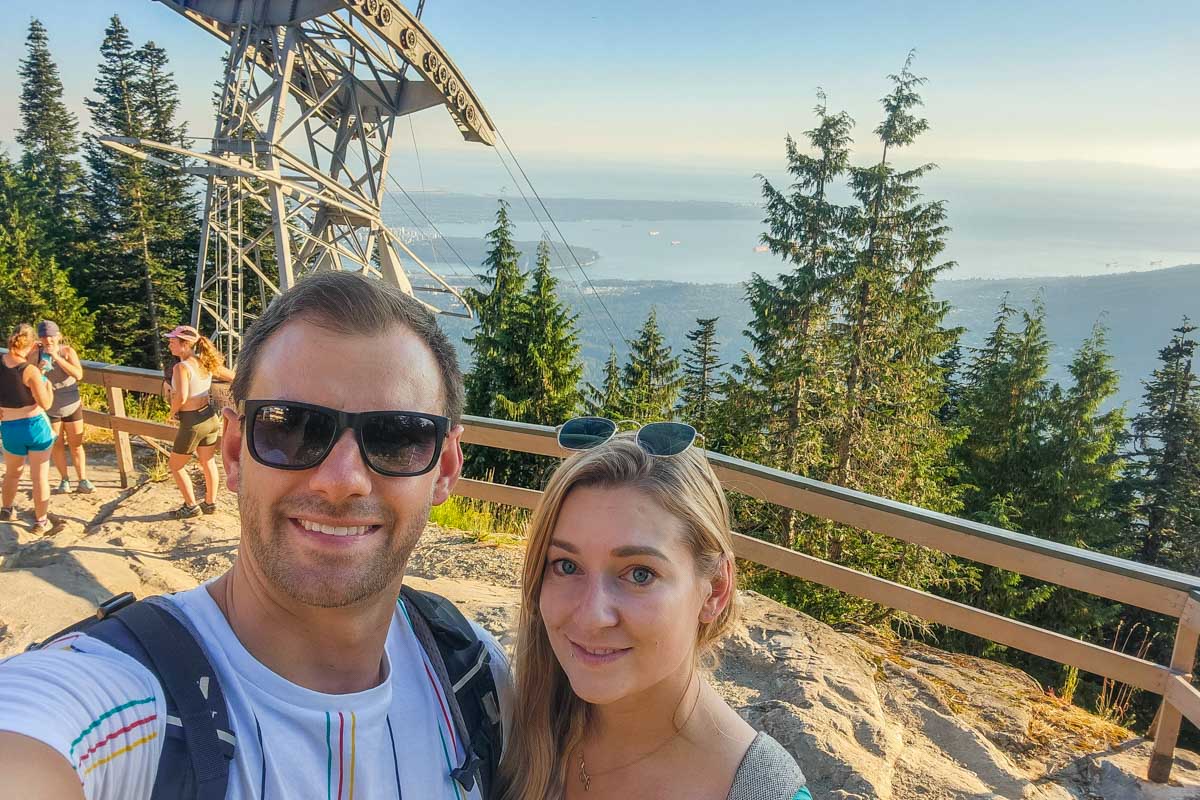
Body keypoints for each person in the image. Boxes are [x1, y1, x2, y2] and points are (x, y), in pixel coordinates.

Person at [0, 272, 511, 799]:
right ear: (233, 451)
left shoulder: (475, 675)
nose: (342, 482)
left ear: (445, 466)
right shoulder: (114, 703)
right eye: (289, 427)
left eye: (398, 436)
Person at [499, 424, 810, 800]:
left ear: (715, 589)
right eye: (566, 566)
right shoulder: (507, 732)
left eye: (640, 574)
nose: (591, 616)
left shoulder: (760, 792)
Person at [163, 325, 232, 518]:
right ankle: (210, 503)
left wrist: (172, 412)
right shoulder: (205, 362)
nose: (170, 346)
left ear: (185, 344)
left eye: (173, 342)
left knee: (175, 465)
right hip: (210, 417)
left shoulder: (181, 367)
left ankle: (191, 506)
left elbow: (182, 396)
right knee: (207, 460)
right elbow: (233, 377)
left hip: (192, 421)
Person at [1, 322, 57, 535]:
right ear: (34, 345)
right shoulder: (29, 370)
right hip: (34, 426)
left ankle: (6, 509)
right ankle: (40, 521)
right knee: (39, 477)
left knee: (12, 473)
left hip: (9, 426)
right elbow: (46, 404)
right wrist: (48, 387)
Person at [30, 320, 94, 494]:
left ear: (58, 336)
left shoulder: (67, 352)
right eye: (44, 336)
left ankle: (83, 479)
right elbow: (30, 378)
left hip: (71, 403)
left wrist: (57, 358)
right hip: (50, 404)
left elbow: (78, 374)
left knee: (76, 444)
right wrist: (39, 368)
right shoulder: (35, 353)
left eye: (51, 336)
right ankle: (64, 479)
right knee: (57, 444)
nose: (48, 340)